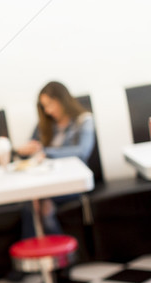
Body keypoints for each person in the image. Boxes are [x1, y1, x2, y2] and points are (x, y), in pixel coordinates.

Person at [16, 81, 96, 238]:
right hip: (46, 182)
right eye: (44, 106)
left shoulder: (84, 120)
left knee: (41, 204)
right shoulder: (44, 125)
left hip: (72, 183)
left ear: (63, 100)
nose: (48, 110)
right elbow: (33, 150)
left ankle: (56, 258)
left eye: (51, 104)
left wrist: (46, 151)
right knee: (31, 204)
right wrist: (23, 151)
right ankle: (40, 255)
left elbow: (82, 152)